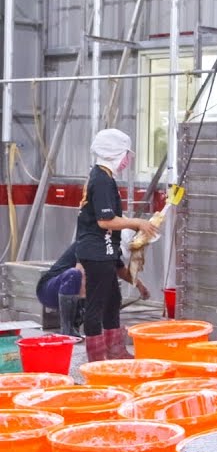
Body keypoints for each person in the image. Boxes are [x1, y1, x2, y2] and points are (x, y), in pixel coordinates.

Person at [76, 129, 159, 361]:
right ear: (114, 152)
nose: (127, 160)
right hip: (96, 250)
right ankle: (96, 357)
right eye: (125, 154)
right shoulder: (101, 179)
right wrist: (138, 223)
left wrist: (137, 282)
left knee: (113, 300)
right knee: (97, 303)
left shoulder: (105, 177)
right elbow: (104, 221)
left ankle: (115, 350)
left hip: (105, 250)